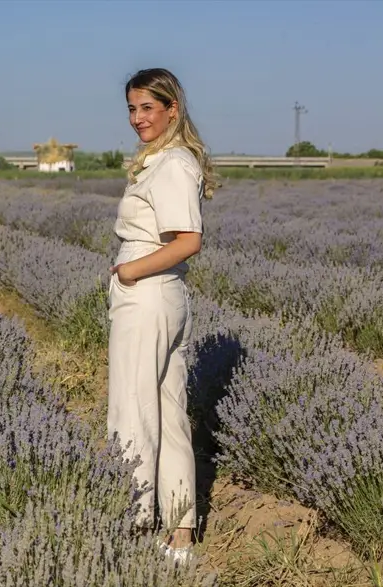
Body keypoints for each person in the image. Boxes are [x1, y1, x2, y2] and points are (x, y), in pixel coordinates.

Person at [106, 68, 217, 563]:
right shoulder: (167, 159)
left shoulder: (171, 163)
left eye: (147, 108)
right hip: (163, 295)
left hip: (148, 293)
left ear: (173, 108)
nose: (137, 118)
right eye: (132, 108)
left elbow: (188, 242)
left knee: (133, 411)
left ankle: (132, 526)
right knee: (169, 414)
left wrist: (130, 271)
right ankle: (179, 535)